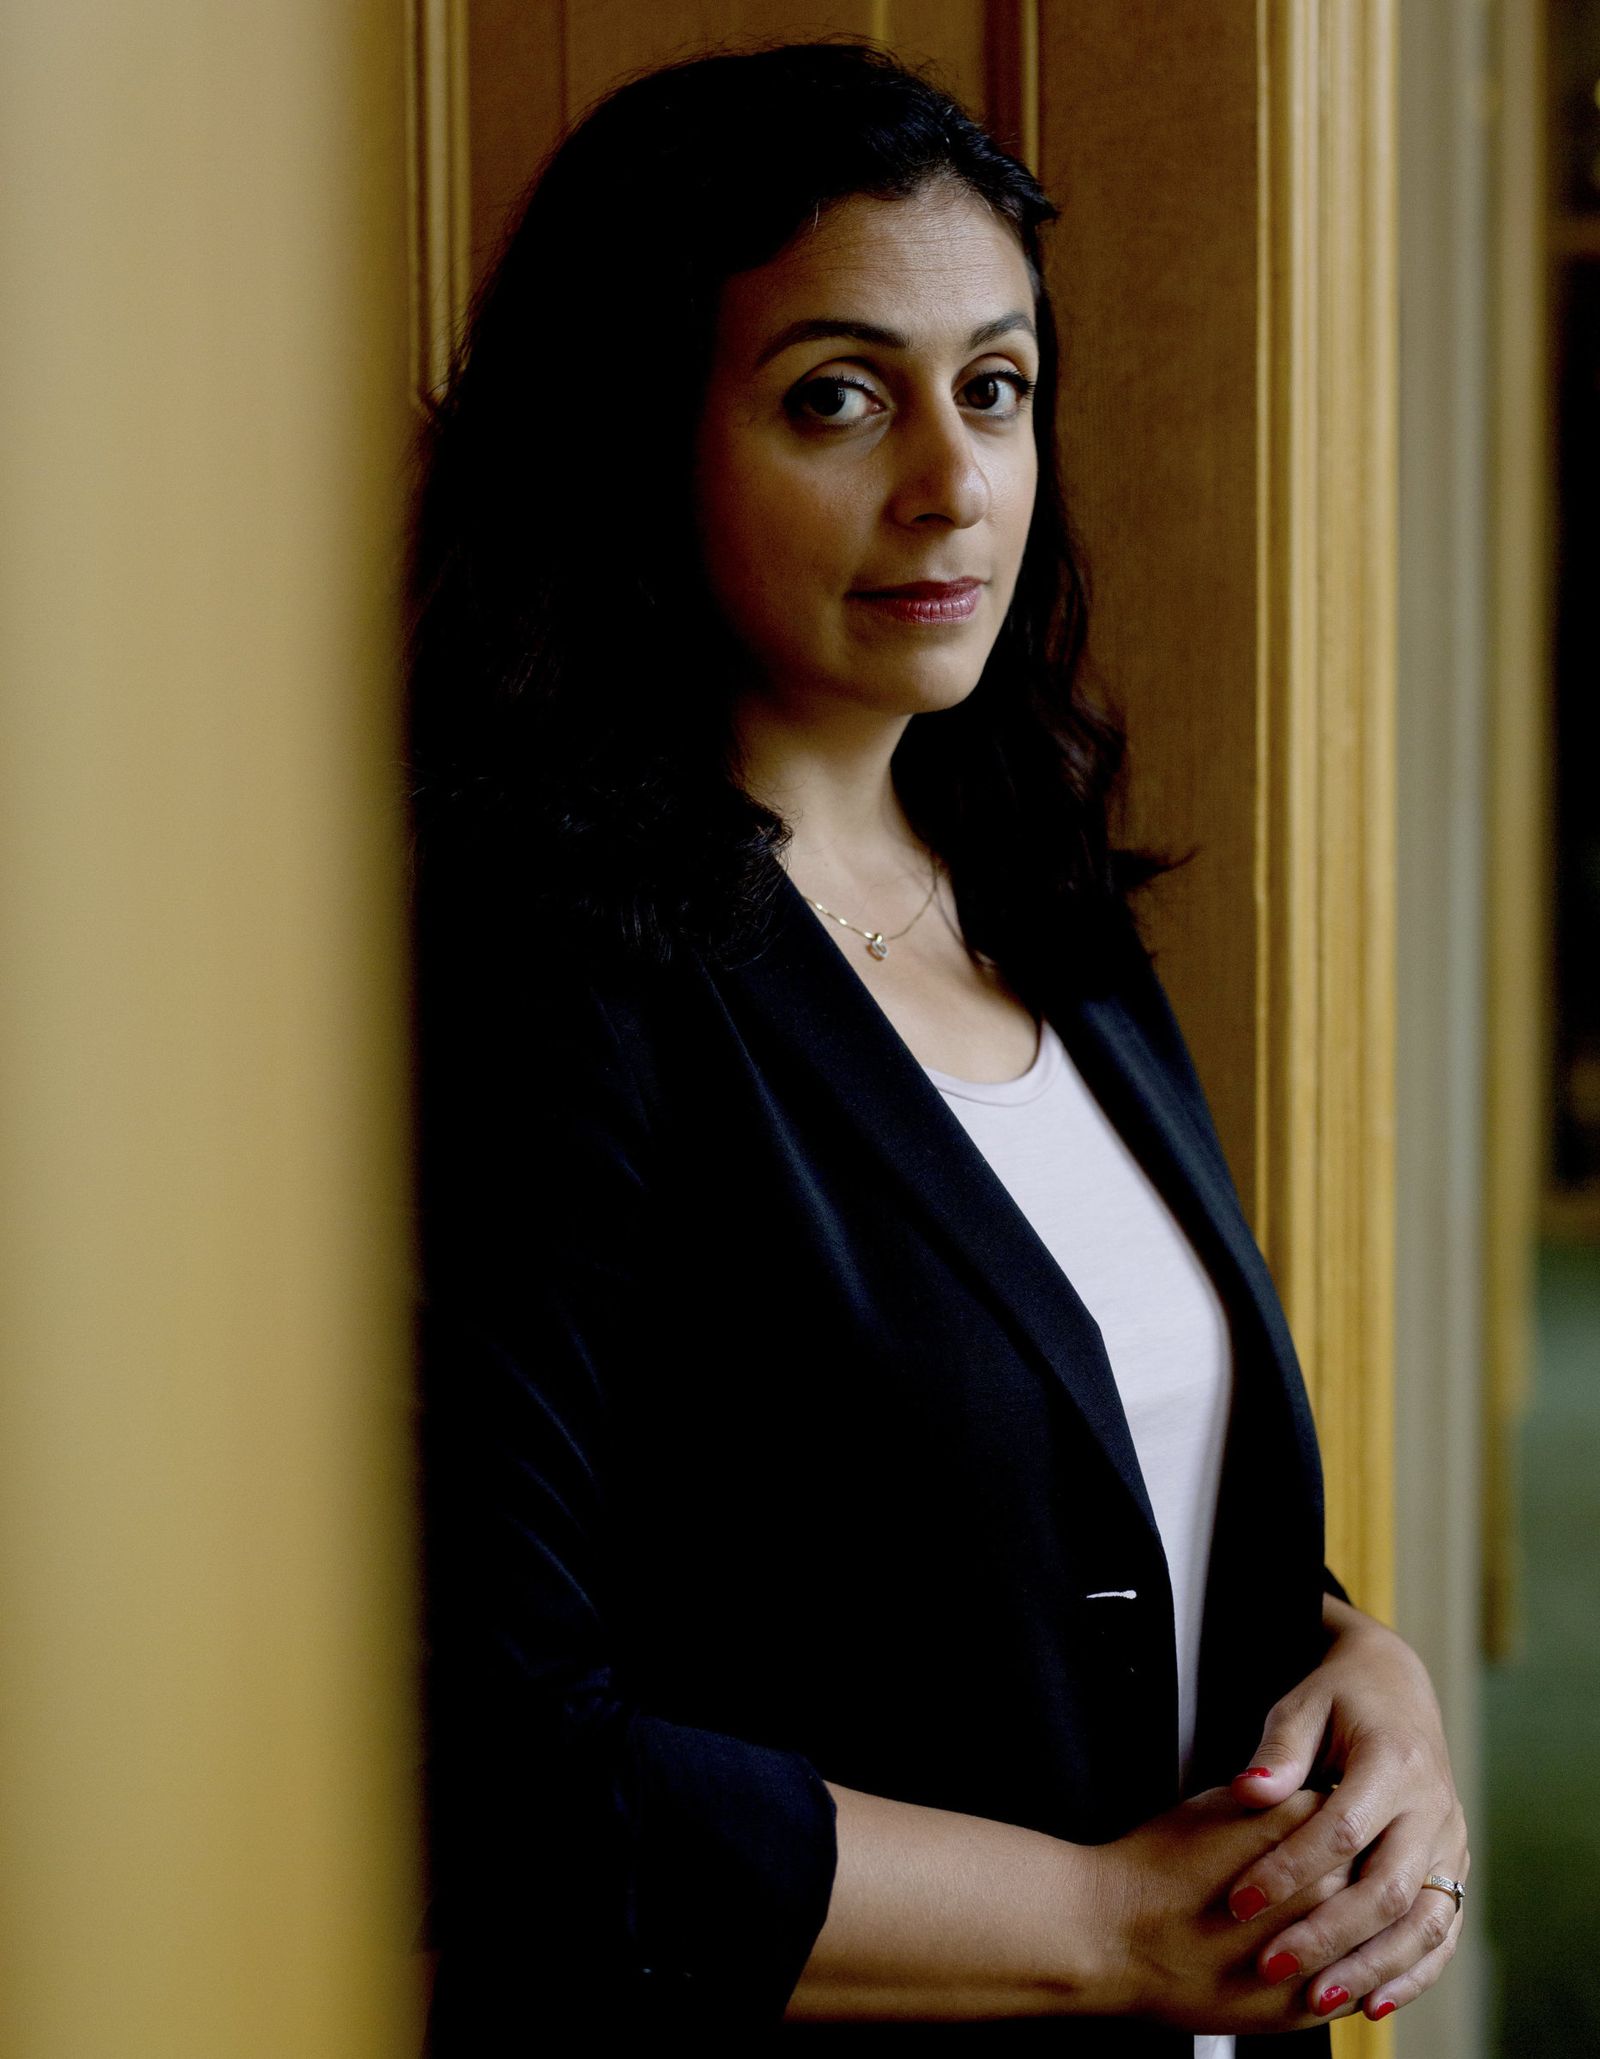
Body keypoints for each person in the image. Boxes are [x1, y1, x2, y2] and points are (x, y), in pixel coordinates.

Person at [405, 37, 1468, 2052]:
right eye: (836, 396)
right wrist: (1100, 1925)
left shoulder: (1036, 904)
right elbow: (496, 1757)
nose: (950, 480)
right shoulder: (542, 980)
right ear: (637, 435)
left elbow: (1053, 1484)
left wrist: (1363, 1669)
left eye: (993, 387)